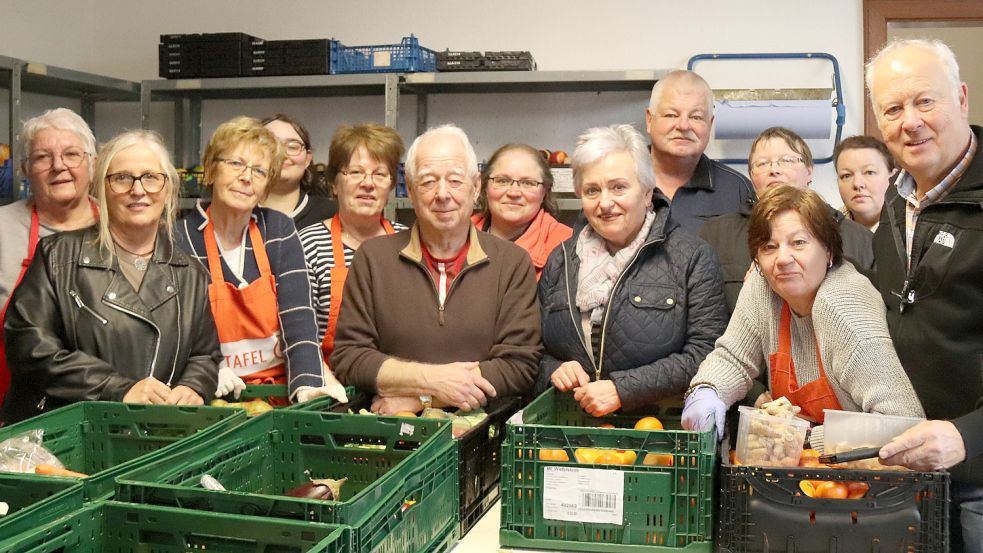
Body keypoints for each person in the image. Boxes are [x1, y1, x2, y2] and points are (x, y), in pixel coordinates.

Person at [1, 130, 220, 423]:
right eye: (122, 178)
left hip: (155, 433)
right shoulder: (58, 256)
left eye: (151, 177)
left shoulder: (190, 274)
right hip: (65, 434)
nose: (138, 190)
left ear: (168, 189)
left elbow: (204, 355)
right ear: (101, 189)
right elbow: (29, 345)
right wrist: (117, 389)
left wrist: (193, 386)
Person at [681, 185, 923, 447]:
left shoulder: (845, 309)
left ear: (828, 250)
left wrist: (803, 439)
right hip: (803, 468)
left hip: (863, 469)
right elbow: (734, 359)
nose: (782, 258)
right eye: (769, 247)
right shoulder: (763, 285)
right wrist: (707, 390)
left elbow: (902, 421)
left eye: (798, 243)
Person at [330, 124, 542, 414]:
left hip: (481, 432)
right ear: (411, 189)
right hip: (389, 434)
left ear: (476, 186)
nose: (442, 194)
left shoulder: (512, 263)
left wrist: (422, 398)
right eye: (428, 182)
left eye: (455, 180)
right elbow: (349, 357)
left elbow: (519, 365)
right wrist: (432, 379)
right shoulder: (373, 258)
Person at [866, 38, 983, 551]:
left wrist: (969, 435)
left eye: (925, 101)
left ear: (961, 97)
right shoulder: (896, 203)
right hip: (910, 476)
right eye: (893, 108)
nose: (909, 121)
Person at [535, 124, 728, 416]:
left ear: (648, 192)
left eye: (618, 187)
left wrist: (623, 389)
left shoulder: (692, 257)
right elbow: (534, 350)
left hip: (657, 433)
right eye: (592, 190)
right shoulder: (560, 260)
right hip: (572, 432)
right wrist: (554, 369)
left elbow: (707, 352)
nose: (605, 203)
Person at [175, 116, 345, 404]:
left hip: (278, 393)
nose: (246, 177)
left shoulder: (277, 230)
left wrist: (307, 384)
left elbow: (299, 317)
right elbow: (177, 329)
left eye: (259, 171)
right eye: (236, 164)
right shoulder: (179, 237)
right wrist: (210, 369)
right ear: (211, 171)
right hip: (213, 395)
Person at [700, 127, 873, 314]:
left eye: (787, 161)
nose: (774, 170)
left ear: (809, 171)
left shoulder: (859, 238)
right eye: (762, 163)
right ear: (751, 176)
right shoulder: (716, 235)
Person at [0, 108, 99, 407]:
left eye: (71, 154)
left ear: (92, 164)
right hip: (13, 409)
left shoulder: (118, 225)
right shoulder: (2, 227)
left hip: (105, 403)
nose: (59, 166)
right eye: (43, 157)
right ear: (25, 169)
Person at [299, 123, 407, 365]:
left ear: (390, 186)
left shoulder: (409, 243)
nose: (368, 183)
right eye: (355, 172)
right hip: (333, 386)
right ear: (334, 184)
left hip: (401, 383)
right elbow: (301, 339)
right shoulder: (308, 245)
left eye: (379, 174)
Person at [645, 70, 754, 234]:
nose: (683, 126)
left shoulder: (737, 190)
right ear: (649, 120)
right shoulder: (618, 180)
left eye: (696, 117)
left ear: (710, 124)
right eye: (671, 115)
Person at [471, 143, 572, 279]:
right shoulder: (457, 236)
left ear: (544, 192)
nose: (514, 192)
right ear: (484, 187)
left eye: (528, 183)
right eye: (502, 181)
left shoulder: (568, 246)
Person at [261, 114, 337, 229]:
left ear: (307, 159)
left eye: (292, 146)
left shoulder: (332, 213)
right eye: (271, 145)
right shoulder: (237, 212)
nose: (282, 154)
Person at [834, 135, 897, 231]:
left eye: (869, 172)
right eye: (846, 176)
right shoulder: (827, 230)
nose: (857, 184)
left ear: (893, 177)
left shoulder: (910, 228)